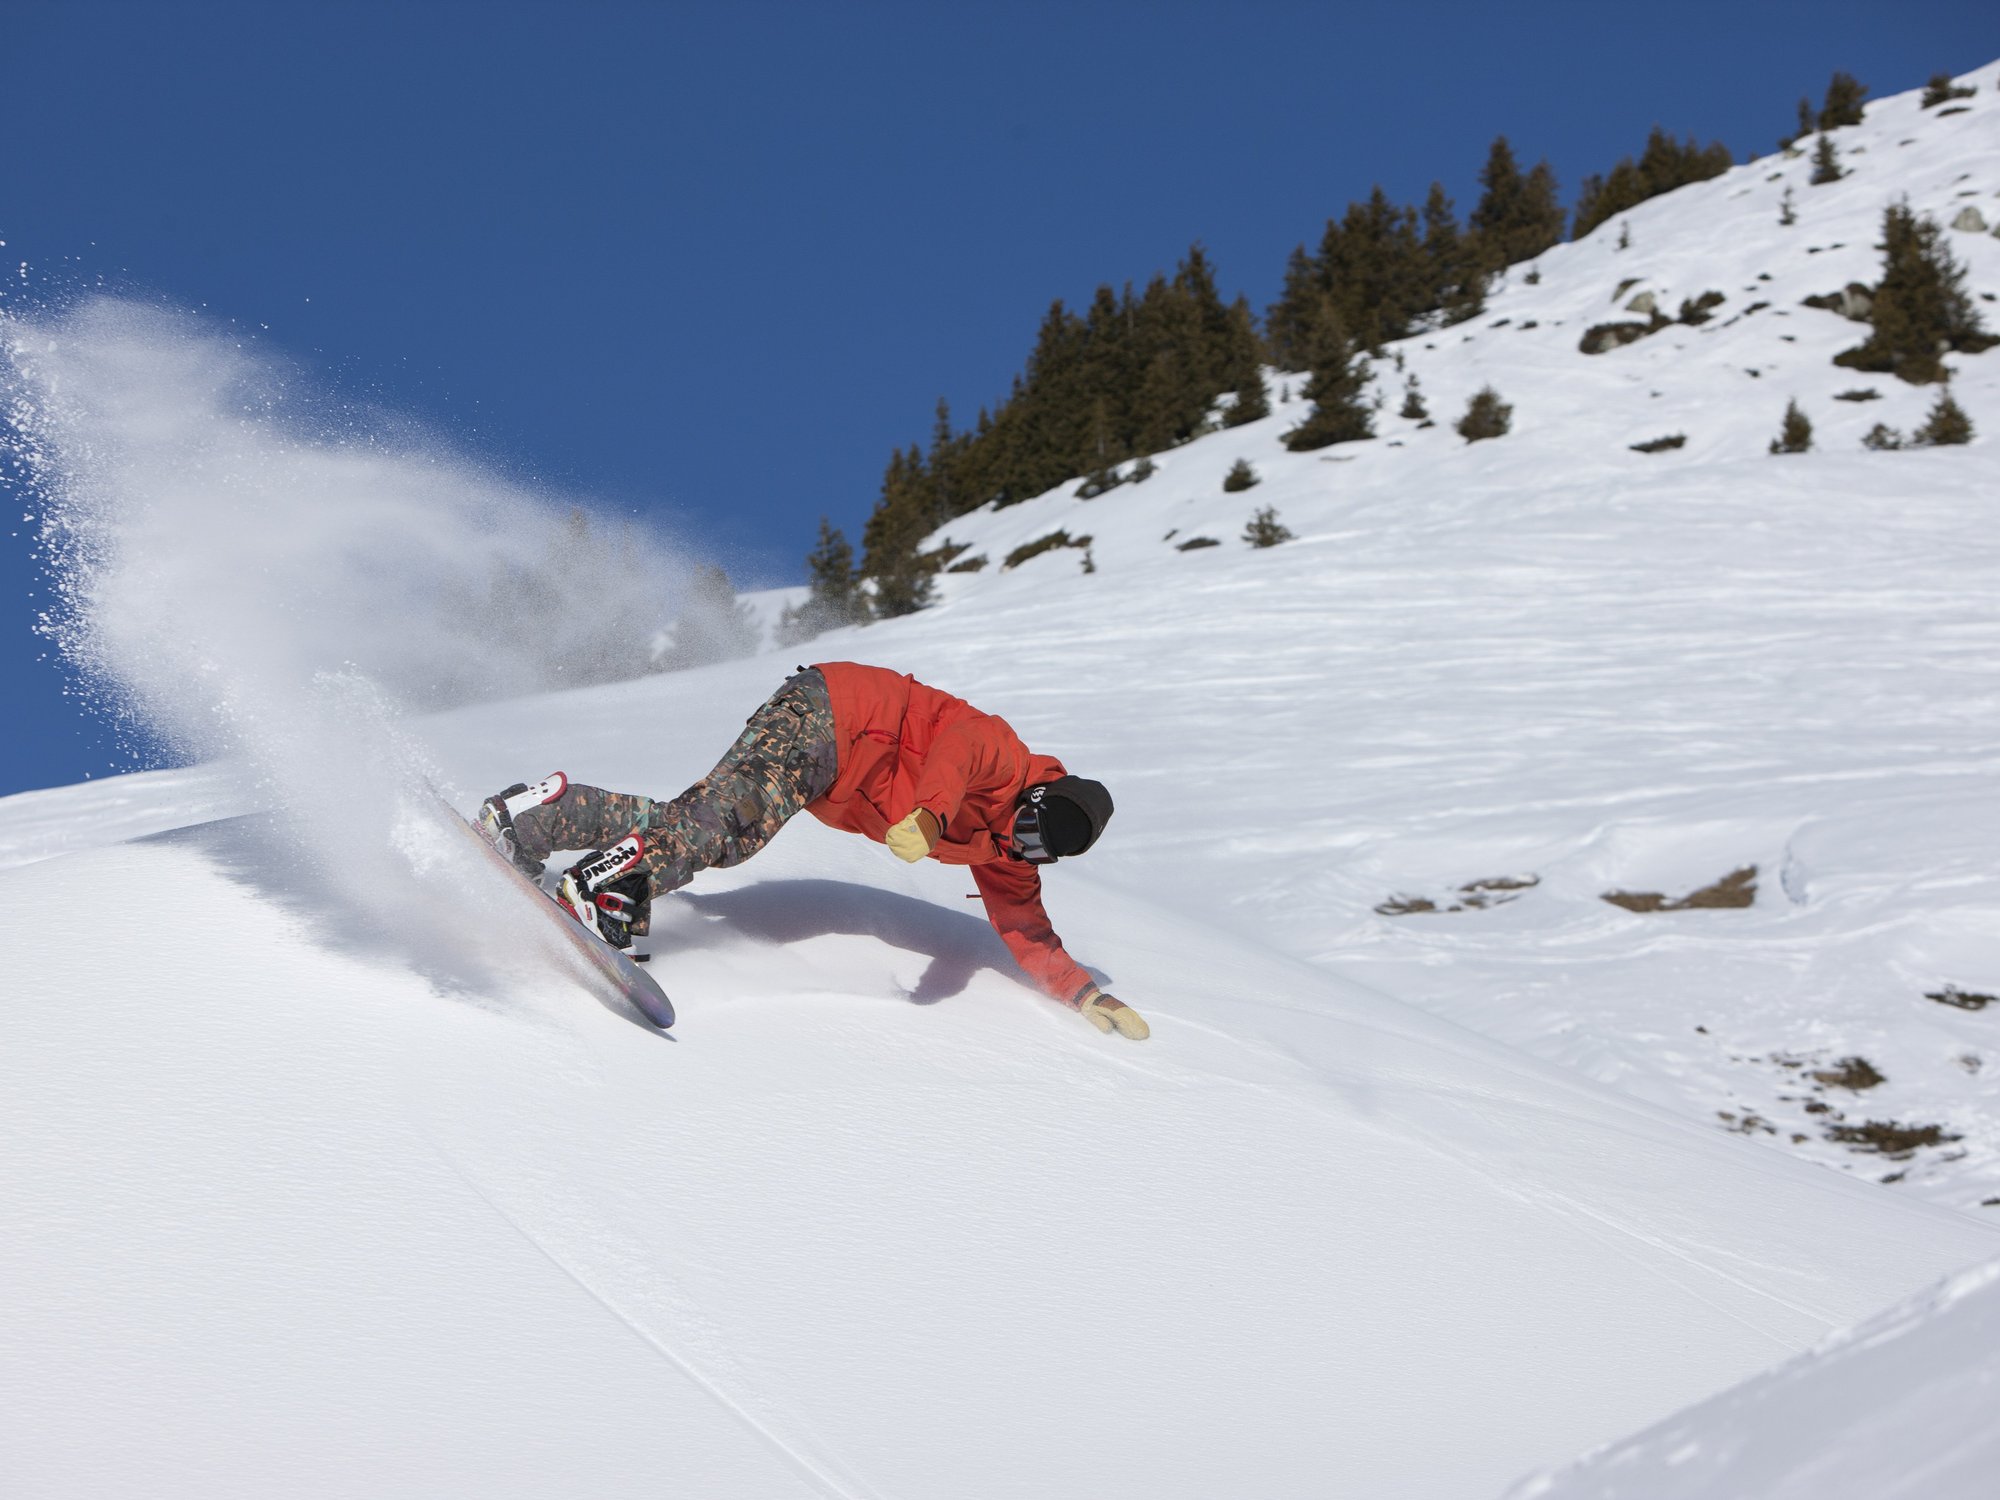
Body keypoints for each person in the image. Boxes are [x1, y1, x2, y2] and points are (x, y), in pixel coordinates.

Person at [477, 661, 1148, 1039]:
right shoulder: (1004, 757)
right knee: (732, 825)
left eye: (1040, 850)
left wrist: (1083, 994)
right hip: (836, 717)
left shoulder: (1010, 854)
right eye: (1031, 826)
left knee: (704, 820)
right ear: (1039, 796)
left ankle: (536, 820)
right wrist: (930, 816)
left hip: (830, 757)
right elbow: (956, 751)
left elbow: (1026, 927)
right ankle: (607, 890)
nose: (1024, 845)